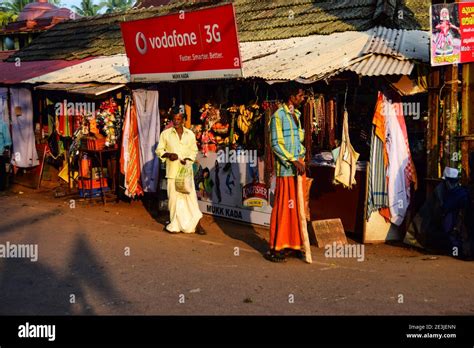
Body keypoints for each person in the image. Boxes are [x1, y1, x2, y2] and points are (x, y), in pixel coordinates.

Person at [266, 84, 307, 262]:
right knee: (284, 207)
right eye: (300, 95)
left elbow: (300, 141)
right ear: (291, 97)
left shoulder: (296, 115)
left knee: (297, 208)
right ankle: (277, 247)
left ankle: (294, 243)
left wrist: (302, 157)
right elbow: (275, 144)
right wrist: (293, 160)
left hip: (297, 169)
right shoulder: (278, 116)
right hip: (286, 170)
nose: (303, 98)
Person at [156, 107, 205, 235]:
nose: (176, 121)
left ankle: (197, 224)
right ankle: (175, 225)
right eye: (174, 119)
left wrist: (189, 159)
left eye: (179, 119)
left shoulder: (190, 134)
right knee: (173, 199)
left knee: (190, 199)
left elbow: (194, 151)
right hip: (172, 171)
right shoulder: (165, 134)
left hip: (186, 172)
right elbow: (159, 151)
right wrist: (169, 155)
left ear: (183, 120)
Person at [0, 117, 12, 191]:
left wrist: (6, 149)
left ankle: (1, 187)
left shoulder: (3, 125)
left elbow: (7, 140)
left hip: (0, 152)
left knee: (1, 171)